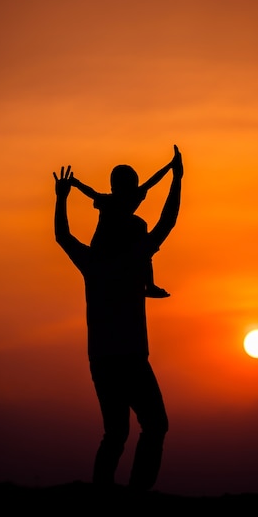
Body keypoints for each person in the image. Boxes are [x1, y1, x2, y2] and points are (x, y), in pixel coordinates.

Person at [53, 145, 183, 491]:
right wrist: (177, 179)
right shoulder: (131, 257)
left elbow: (62, 236)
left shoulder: (93, 263)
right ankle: (134, 492)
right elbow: (167, 220)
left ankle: (106, 490)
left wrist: (62, 198)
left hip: (102, 357)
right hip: (129, 357)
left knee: (117, 433)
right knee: (153, 425)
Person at [70, 153, 175, 298]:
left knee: (140, 227)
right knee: (139, 227)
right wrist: (76, 183)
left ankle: (149, 285)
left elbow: (152, 181)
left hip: (122, 240)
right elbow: (91, 193)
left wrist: (170, 167)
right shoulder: (116, 200)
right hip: (104, 244)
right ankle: (149, 285)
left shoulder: (129, 197)